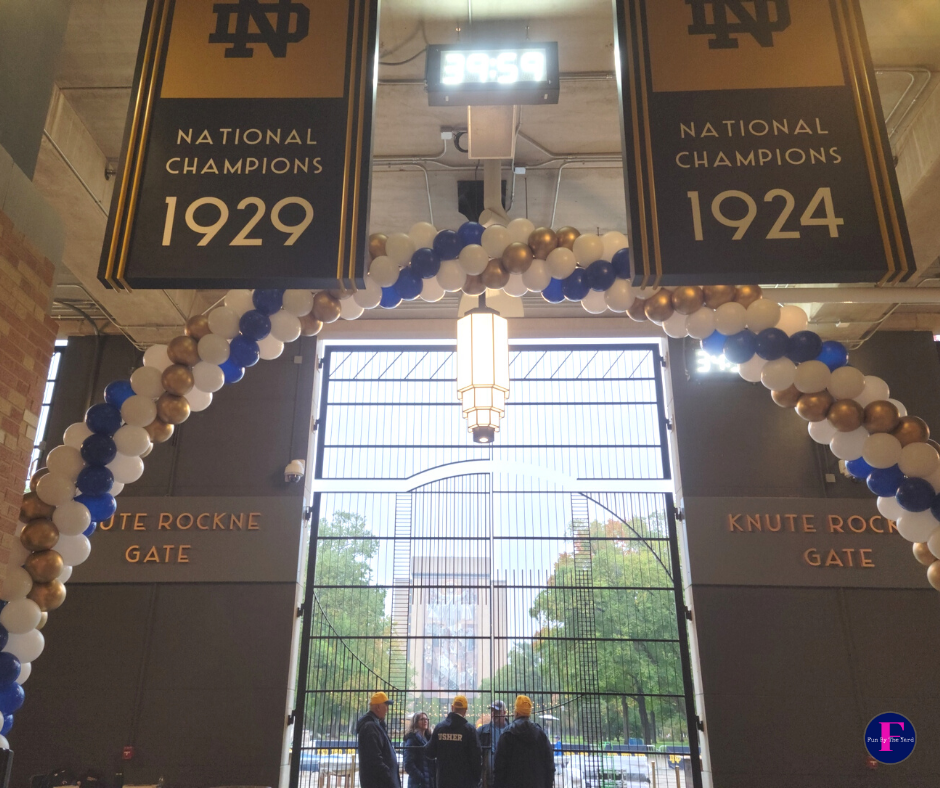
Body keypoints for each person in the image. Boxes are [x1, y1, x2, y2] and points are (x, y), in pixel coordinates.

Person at [493, 696, 554, 788]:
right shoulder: (541, 735)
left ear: (516, 712)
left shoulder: (507, 734)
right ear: (529, 712)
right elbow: (550, 765)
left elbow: (499, 768)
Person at [425, 695, 482, 788]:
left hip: (443, 780)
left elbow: (429, 752)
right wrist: (477, 779)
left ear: (452, 707)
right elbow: (476, 757)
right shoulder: (469, 730)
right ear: (465, 710)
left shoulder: (440, 728)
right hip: (465, 781)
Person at [356, 691, 401, 788]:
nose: (387, 710)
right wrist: (389, 778)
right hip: (380, 783)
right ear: (378, 707)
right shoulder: (370, 728)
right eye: (386, 706)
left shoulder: (374, 725)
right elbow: (374, 760)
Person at [477, 700, 509, 788]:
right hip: (488, 779)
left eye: (497, 711)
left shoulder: (511, 731)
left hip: (507, 779)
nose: (493, 713)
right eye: (492, 711)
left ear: (504, 713)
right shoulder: (482, 731)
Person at [403, 711, 434, 788]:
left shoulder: (428, 738)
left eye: (426, 719)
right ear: (416, 722)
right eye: (422, 719)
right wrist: (421, 777)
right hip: (418, 783)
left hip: (428, 781)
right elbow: (408, 763)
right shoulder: (412, 739)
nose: (425, 721)